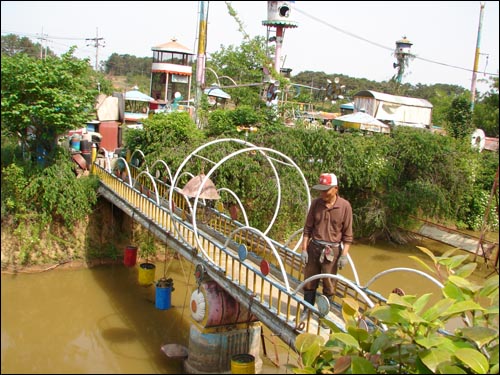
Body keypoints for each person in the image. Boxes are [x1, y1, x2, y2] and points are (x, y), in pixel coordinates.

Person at [301, 172, 353, 309]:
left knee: (329, 284)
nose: (322, 194)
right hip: (314, 248)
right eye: (321, 190)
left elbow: (348, 236)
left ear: (335, 189)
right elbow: (307, 229)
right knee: (309, 281)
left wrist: (344, 255)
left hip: (332, 251)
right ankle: (307, 309)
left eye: (326, 190)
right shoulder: (316, 204)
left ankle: (324, 314)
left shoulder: (344, 206)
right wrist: (304, 250)